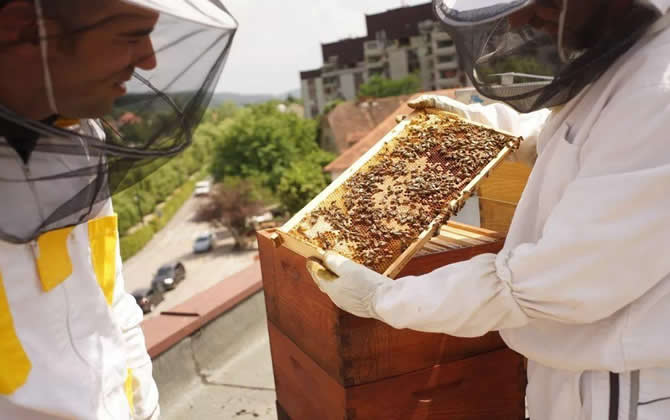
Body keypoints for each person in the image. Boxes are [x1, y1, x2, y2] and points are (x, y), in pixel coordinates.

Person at [308, 0, 670, 419]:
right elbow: (582, 136)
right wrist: (494, 129)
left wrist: (385, 299)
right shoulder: (632, 59)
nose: (519, 20)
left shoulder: (658, 93)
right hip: (581, 373)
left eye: (545, 2)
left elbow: (546, 286)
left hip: (623, 388)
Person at [0, 0, 236, 419]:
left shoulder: (79, 144)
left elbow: (112, 310)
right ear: (23, 29)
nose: (149, 59)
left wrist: (147, 413)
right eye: (130, 36)